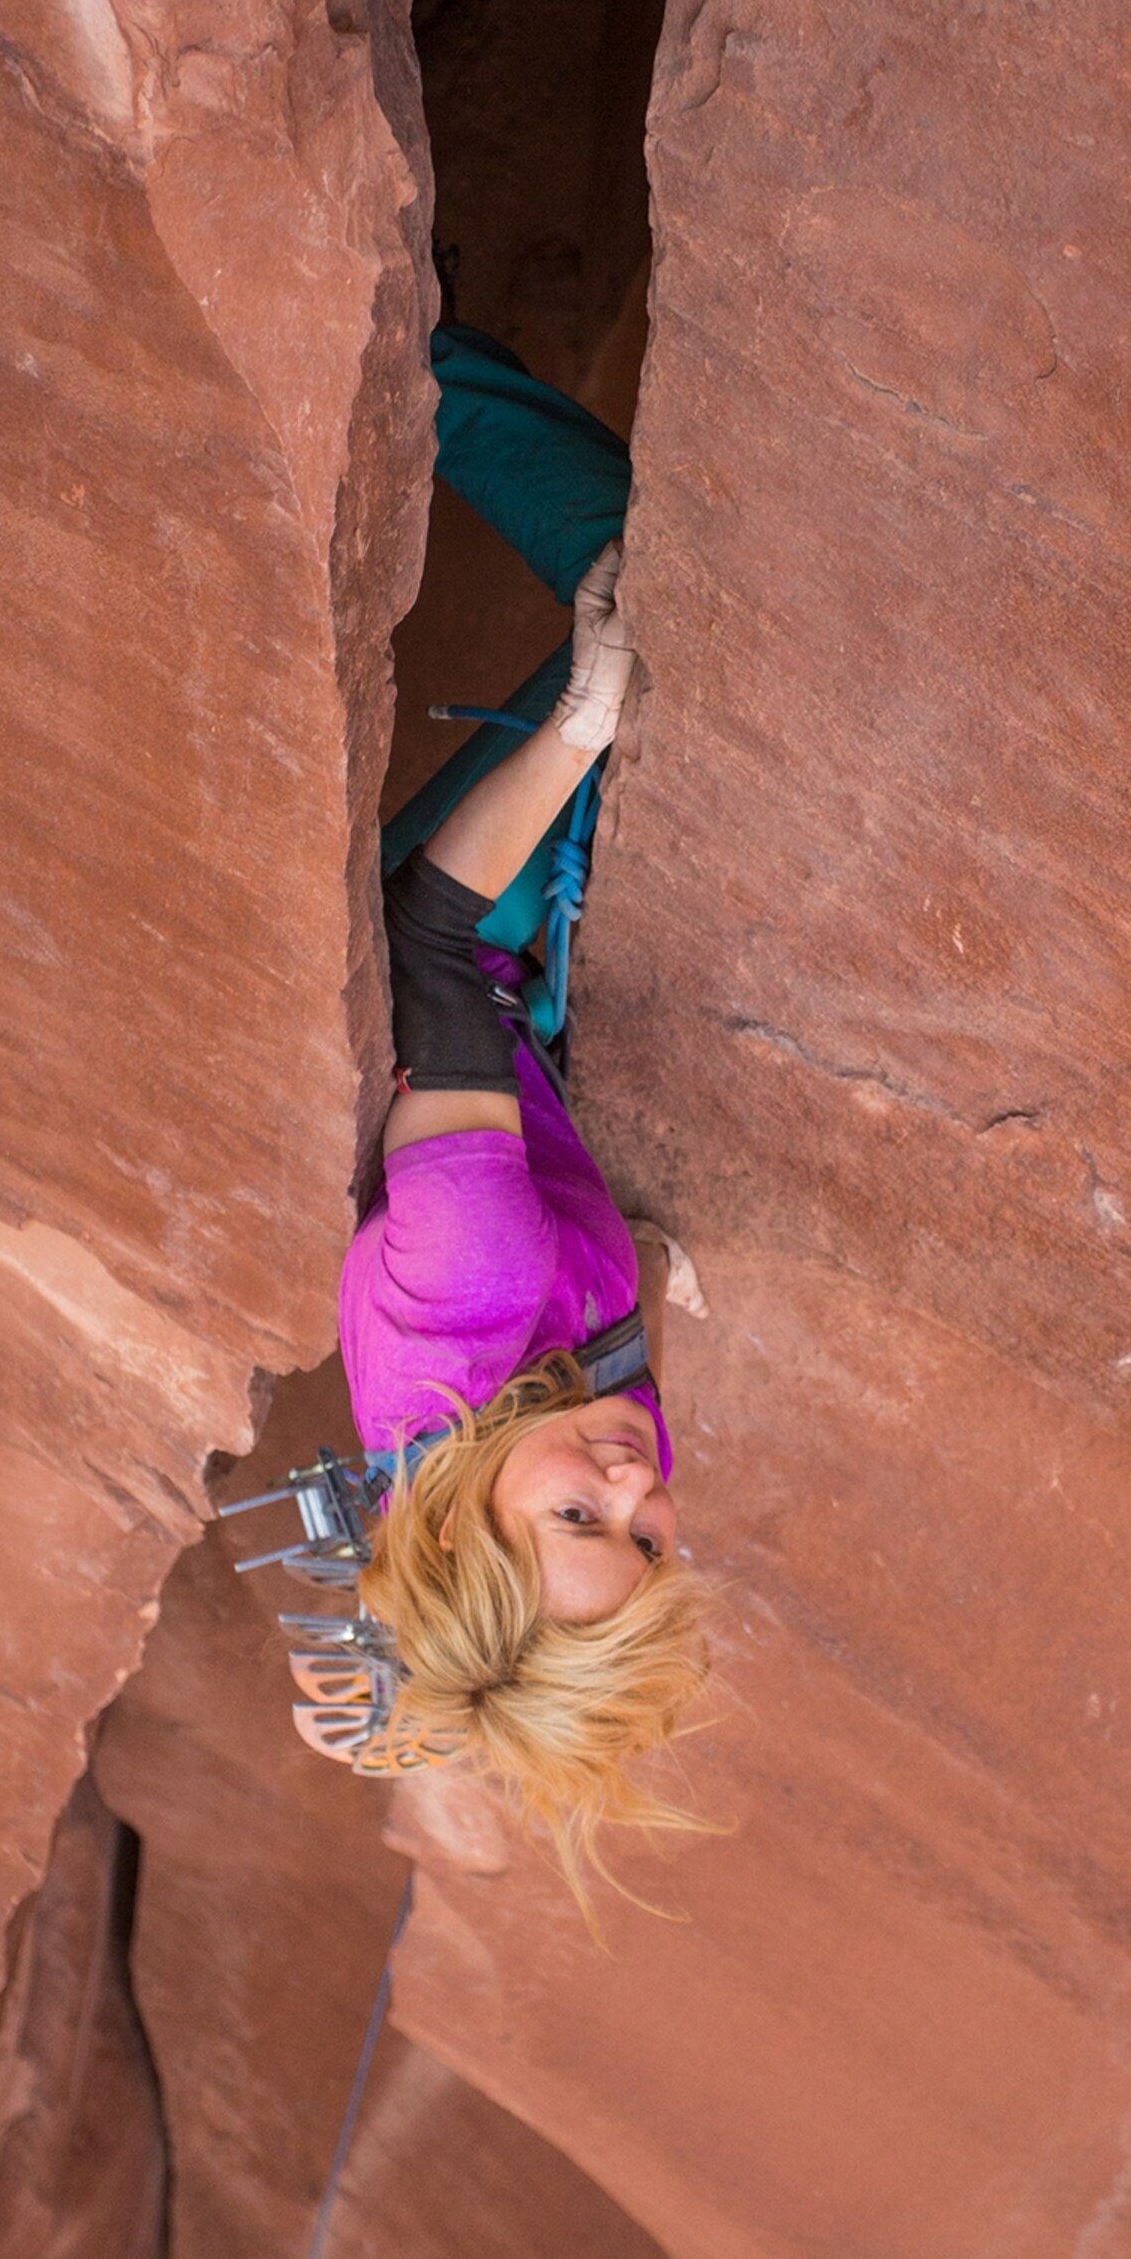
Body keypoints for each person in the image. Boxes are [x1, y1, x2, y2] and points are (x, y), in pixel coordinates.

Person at [336, 326, 712, 1885]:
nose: (635, 1490)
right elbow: (455, 1641)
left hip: (461, 967)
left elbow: (433, 930)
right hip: (524, 1054)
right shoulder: (555, 1460)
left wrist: (586, 727)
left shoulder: (473, 1281)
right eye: (648, 1546)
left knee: (664, 599)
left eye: (583, 1524)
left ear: (460, 1520)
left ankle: (393, 340)